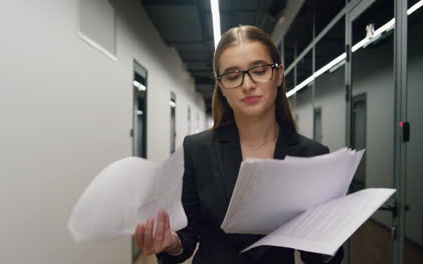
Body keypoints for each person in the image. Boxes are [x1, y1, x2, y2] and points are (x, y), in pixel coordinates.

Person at [134, 25, 344, 263]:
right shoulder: (197, 150)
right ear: (221, 87)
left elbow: (318, 258)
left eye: (259, 70)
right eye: (233, 76)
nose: (247, 84)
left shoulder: (313, 156)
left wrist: (328, 232)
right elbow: (187, 236)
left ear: (278, 74)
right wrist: (172, 243)